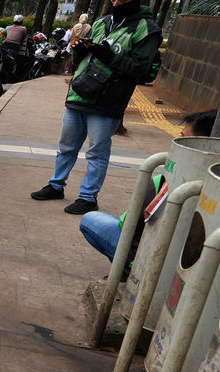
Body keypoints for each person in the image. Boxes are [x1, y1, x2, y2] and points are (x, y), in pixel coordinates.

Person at [29, 0, 162, 215]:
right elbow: (84, 58)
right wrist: (79, 49)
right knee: (66, 146)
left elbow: (139, 69)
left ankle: (88, 197)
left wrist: (106, 54)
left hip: (108, 100)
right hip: (79, 93)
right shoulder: (101, 22)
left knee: (96, 151)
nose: (116, 1)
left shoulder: (148, 29)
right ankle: (56, 185)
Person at [78, 110, 215, 277]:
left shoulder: (170, 178)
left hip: (150, 260)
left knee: (90, 220)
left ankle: (126, 270)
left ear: (197, 143)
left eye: (182, 136)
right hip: (199, 270)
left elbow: (128, 222)